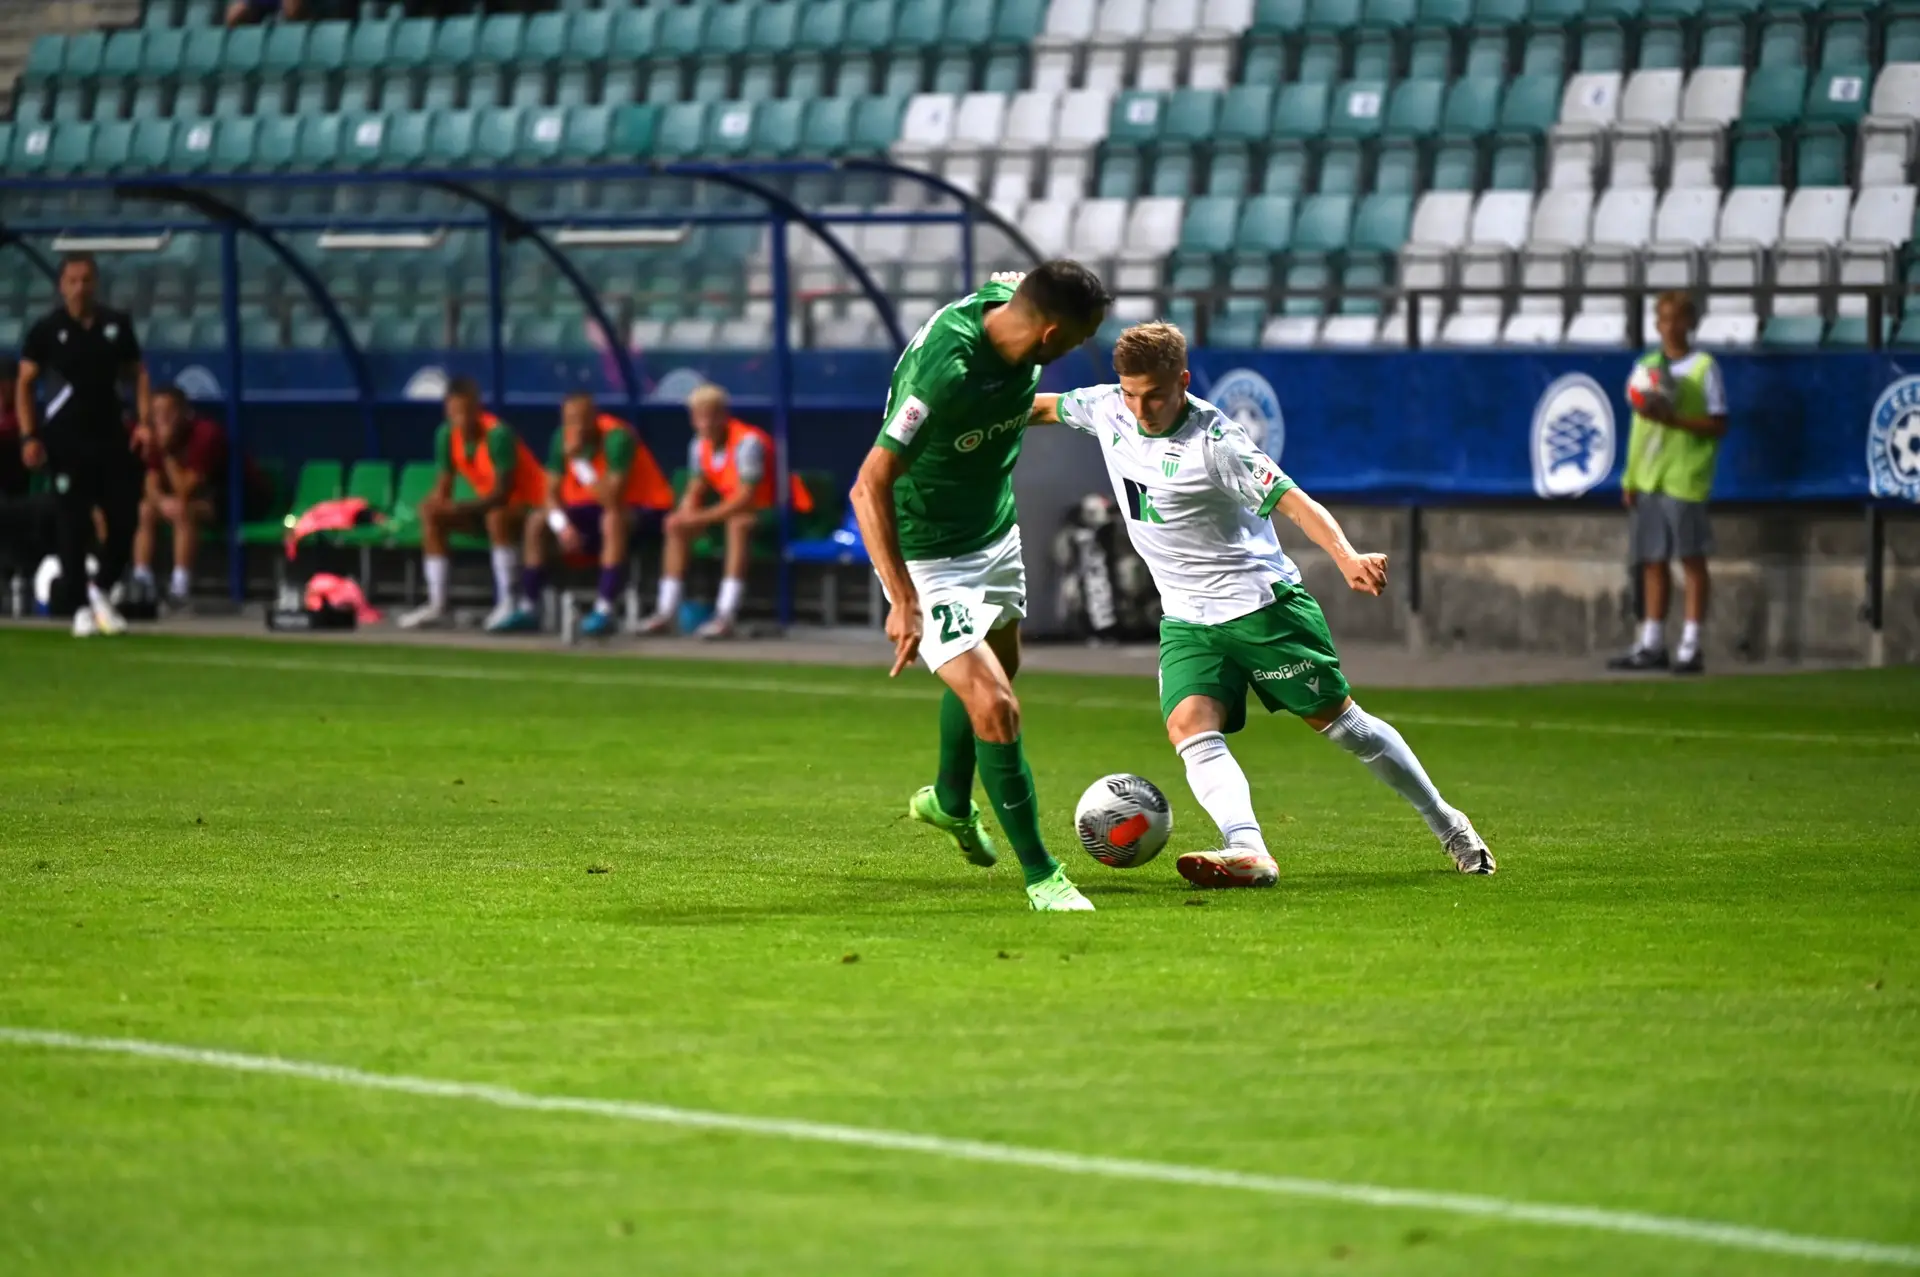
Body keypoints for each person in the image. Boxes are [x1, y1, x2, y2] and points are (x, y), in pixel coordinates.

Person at [1029, 321, 1494, 889]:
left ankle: (1448, 823)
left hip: (1260, 607)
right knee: (1189, 727)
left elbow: (1293, 501)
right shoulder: (1108, 408)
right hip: (1186, 618)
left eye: (1153, 393)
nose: (1140, 407)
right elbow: (1040, 407)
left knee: (1344, 727)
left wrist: (1346, 556)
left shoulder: (1216, 441)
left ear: (1183, 380)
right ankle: (1247, 849)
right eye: (1130, 392)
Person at [848, 263, 1111, 913]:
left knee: (1004, 664)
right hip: (927, 554)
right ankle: (1043, 874)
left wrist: (1102, 409)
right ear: (1051, 332)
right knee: (995, 705)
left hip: (993, 534)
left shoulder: (1011, 303)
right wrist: (904, 600)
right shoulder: (944, 374)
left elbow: (1022, 401)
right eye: (1075, 343)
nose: (1072, 353)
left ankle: (947, 798)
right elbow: (867, 484)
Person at [15, 253, 150, 637]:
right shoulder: (46, 330)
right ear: (62, 285)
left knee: (125, 519)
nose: (80, 287)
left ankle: (101, 587)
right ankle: (79, 609)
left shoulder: (115, 325)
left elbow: (137, 375)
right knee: (72, 524)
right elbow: (26, 382)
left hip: (111, 438)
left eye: (87, 279)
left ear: (96, 283)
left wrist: (142, 423)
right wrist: (30, 435)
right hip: (65, 443)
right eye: (73, 280)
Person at [1609, 291, 1729, 676]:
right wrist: (1629, 477)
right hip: (1649, 477)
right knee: (1652, 560)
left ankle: (1691, 645)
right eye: (1663, 319)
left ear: (1690, 323)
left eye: (1678, 319)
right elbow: (1637, 429)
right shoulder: (1645, 367)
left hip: (1684, 478)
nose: (1670, 327)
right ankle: (1652, 641)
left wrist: (1674, 420)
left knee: (1691, 560)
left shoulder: (1704, 367)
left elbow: (1718, 423)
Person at [490, 393, 674, 637]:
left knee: (612, 520)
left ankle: (604, 609)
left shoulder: (617, 437)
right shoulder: (561, 439)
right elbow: (550, 494)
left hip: (646, 509)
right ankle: (529, 607)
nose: (575, 427)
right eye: (570, 420)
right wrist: (562, 527)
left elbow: (612, 499)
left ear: (594, 417)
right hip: (593, 507)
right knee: (537, 521)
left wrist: (579, 461)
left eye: (581, 419)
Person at [637, 383, 812, 639]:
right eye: (698, 416)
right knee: (675, 525)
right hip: (730, 510)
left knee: (737, 524)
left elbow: (746, 498)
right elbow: (697, 485)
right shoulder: (698, 445)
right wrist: (686, 512)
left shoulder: (747, 442)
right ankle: (665, 612)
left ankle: (725, 615)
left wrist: (701, 517)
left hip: (772, 511)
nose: (704, 422)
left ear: (723, 414)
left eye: (710, 415)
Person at [397, 376, 545, 630]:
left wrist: (460, 507)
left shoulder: (498, 434)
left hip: (530, 508)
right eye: (455, 412)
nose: (461, 419)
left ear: (478, 408)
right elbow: (443, 487)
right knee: (434, 517)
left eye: (467, 412)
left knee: (496, 516)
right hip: (486, 508)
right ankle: (437, 605)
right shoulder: (446, 436)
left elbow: (502, 493)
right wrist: (433, 503)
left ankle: (508, 602)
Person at [132, 387, 227, 609]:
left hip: (230, 501)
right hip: (182, 502)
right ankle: (142, 581)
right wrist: (161, 502)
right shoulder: (154, 436)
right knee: (145, 509)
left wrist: (166, 451)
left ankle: (180, 586)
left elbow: (186, 488)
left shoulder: (205, 433)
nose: (162, 418)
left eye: (169, 411)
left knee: (183, 509)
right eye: (156, 412)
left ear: (185, 412)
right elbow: (151, 484)